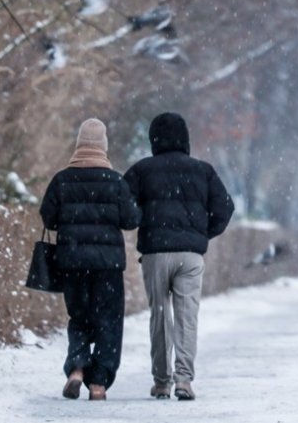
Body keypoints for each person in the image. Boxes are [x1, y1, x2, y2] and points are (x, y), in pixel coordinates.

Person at [125, 112, 234, 401]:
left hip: (156, 253)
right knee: (187, 317)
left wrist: (146, 224)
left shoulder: (141, 170)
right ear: (185, 138)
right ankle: (183, 380)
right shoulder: (203, 170)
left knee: (160, 315)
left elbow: (124, 208)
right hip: (190, 255)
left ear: (154, 139)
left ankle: (161, 381)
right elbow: (225, 209)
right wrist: (201, 234)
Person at [39, 118, 141, 401]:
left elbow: (48, 217)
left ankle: (77, 368)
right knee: (109, 320)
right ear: (104, 147)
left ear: (79, 145)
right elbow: (131, 220)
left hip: (71, 262)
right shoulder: (116, 182)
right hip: (107, 266)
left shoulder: (61, 180)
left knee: (79, 317)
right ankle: (99, 383)